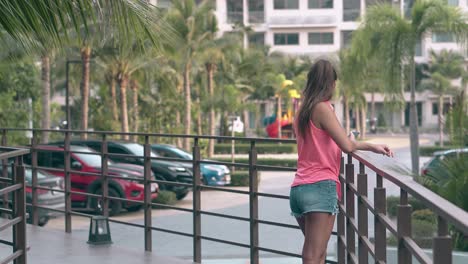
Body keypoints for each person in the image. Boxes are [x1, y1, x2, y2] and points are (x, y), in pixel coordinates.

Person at [290, 59, 393, 264]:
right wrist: (373, 146)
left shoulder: (302, 110)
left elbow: (325, 142)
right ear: (331, 83)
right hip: (320, 187)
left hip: (300, 188)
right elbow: (347, 146)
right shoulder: (322, 108)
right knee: (313, 255)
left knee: (317, 254)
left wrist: (348, 140)